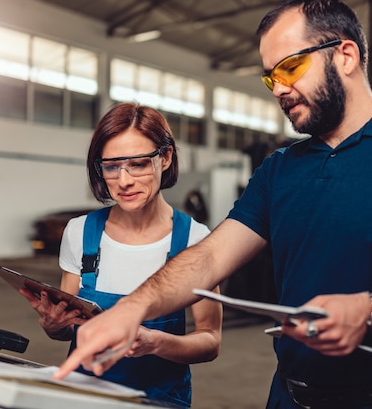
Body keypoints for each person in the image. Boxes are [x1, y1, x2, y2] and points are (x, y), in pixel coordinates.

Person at [55, 0, 372, 408]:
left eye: (290, 68)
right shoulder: (281, 168)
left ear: (345, 55)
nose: (277, 88)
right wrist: (132, 309)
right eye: (269, 77)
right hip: (290, 395)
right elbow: (210, 257)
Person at [20, 103, 222, 408]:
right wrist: (54, 326)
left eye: (138, 164)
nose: (123, 181)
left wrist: (155, 342)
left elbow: (210, 341)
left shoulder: (194, 238)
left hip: (159, 401)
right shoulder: (80, 233)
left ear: (165, 158)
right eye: (111, 166)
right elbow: (68, 328)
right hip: (85, 398)